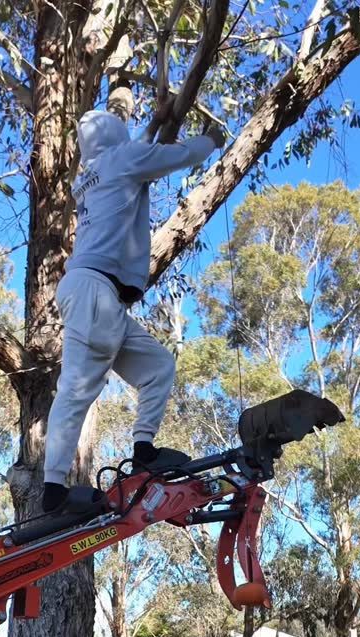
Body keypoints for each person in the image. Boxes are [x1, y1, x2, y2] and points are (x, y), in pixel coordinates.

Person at [43, 107, 225, 514]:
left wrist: (156, 123)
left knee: (158, 366)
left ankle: (143, 449)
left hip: (99, 297)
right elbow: (175, 156)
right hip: (96, 293)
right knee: (75, 389)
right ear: (114, 138)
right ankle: (52, 490)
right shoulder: (122, 161)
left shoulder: (88, 175)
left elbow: (131, 151)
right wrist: (211, 140)